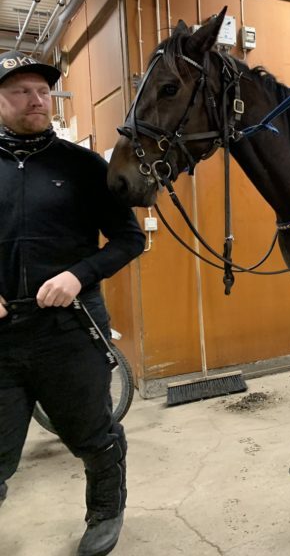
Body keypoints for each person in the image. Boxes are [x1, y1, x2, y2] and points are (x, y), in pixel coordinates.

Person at [0, 51, 145, 555]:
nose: (36, 99)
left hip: (70, 330)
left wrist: (77, 275)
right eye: (20, 91)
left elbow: (131, 239)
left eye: (42, 90)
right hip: (1, 337)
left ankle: (105, 510)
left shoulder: (83, 167)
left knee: (91, 433)